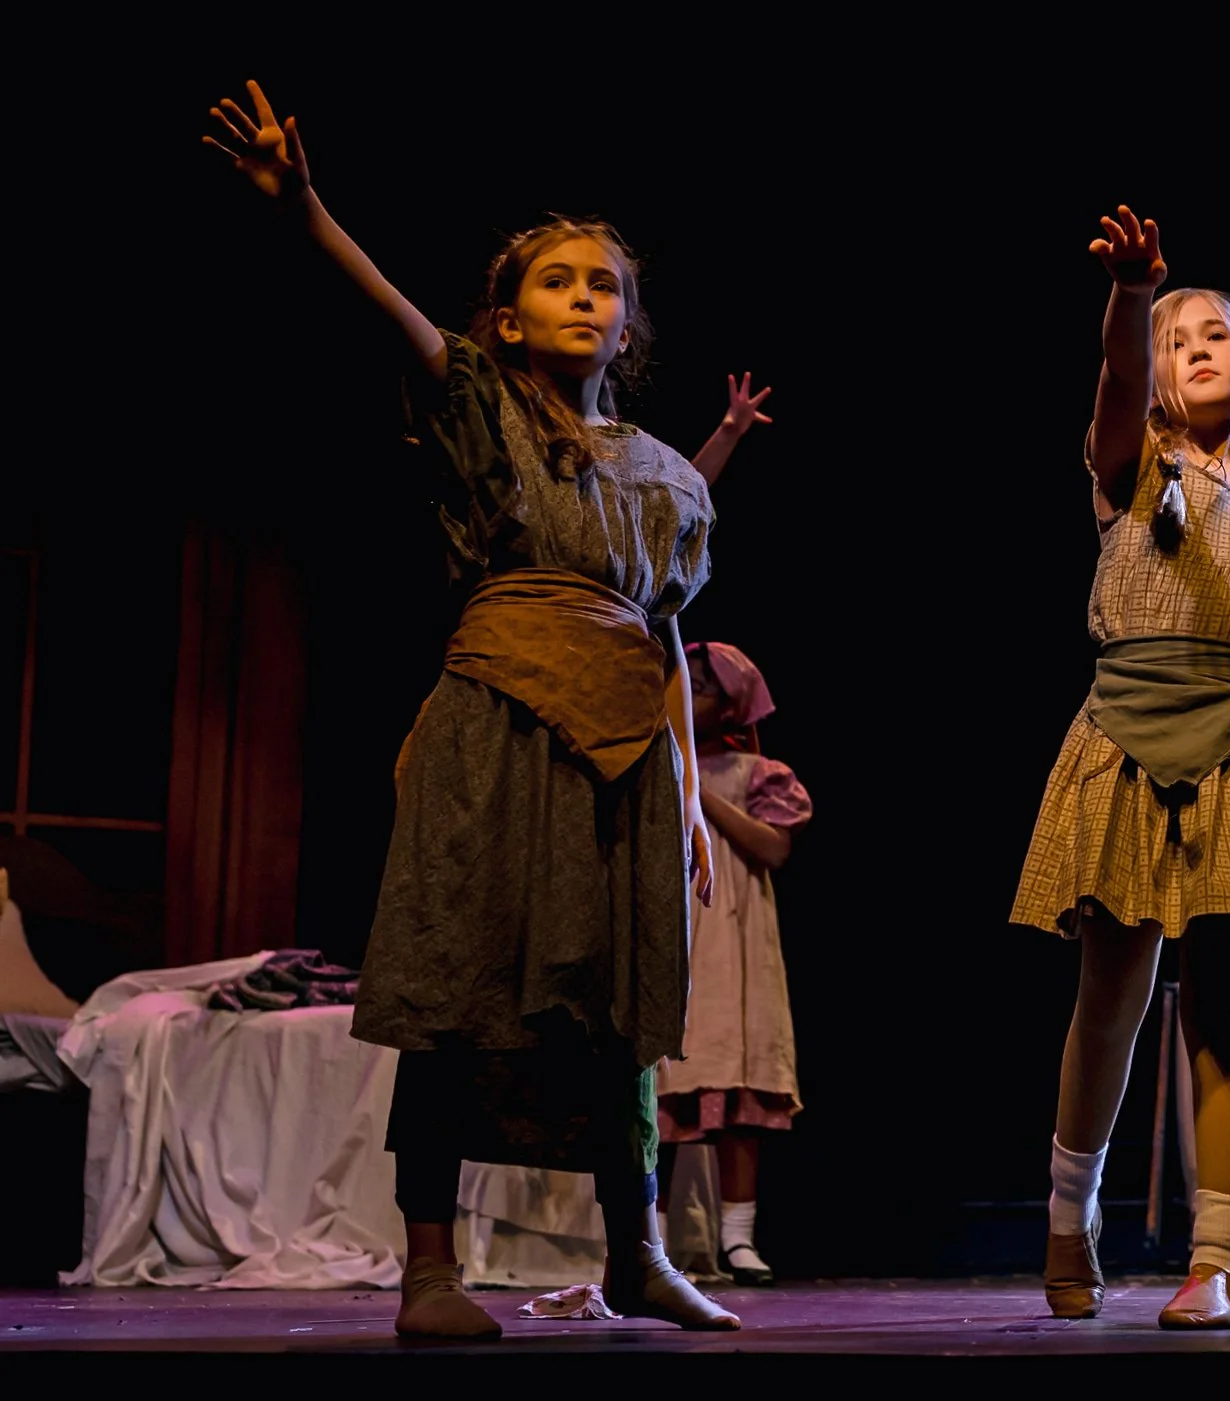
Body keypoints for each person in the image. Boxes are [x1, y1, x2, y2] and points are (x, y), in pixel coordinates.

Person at [203, 80, 738, 1337]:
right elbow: (396, 319)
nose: (585, 299)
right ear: (505, 319)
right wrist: (308, 209)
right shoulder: (482, 410)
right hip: (494, 723)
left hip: (618, 748)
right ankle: (429, 1269)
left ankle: (637, 1251)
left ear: (627, 325)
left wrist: (685, 794)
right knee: (453, 984)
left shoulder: (664, 477)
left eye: (603, 285)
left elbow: (662, 636)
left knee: (621, 1002)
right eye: (557, 281)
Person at [1011, 207, 1230, 1330]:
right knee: (1108, 994)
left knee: (1217, 999)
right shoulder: (1127, 468)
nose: (1195, 347)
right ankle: (1072, 1212)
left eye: (1215, 334)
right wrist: (1129, 297)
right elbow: (1114, 385)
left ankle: (1215, 1258)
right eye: (1177, 338)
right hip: (1130, 728)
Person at [652, 641, 812, 1286]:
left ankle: (738, 1239)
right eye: (682, 681)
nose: (690, 694)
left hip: (733, 941)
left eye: (705, 687)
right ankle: (652, 1240)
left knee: (737, 1093)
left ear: (732, 705)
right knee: (666, 1101)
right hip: (675, 935)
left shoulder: (755, 773)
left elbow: (772, 848)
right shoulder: (649, 766)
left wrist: (698, 788)